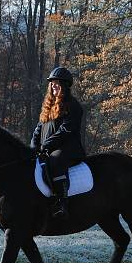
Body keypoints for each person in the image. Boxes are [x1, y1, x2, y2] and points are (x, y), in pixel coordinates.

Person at [31, 66, 86, 219]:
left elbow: (65, 131)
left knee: (55, 160)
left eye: (57, 82)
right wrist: (33, 146)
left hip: (68, 149)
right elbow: (38, 129)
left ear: (65, 85)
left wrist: (45, 145)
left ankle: (62, 203)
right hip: (47, 149)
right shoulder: (47, 107)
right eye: (52, 83)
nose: (53, 85)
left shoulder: (73, 106)